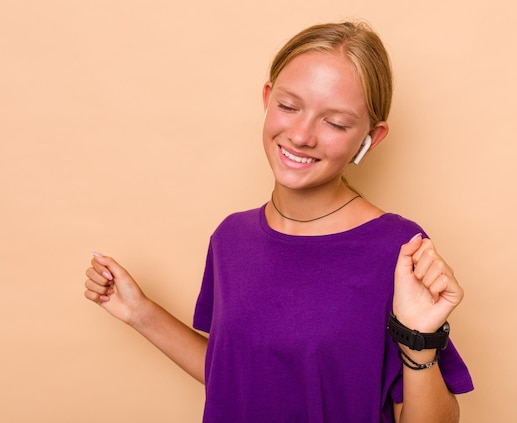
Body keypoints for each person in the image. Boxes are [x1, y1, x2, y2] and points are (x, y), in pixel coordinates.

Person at [84, 21, 474, 423]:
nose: (302, 135)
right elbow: (237, 379)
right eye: (289, 106)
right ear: (268, 99)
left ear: (370, 138)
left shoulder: (397, 250)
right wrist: (140, 313)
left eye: (335, 123)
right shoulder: (230, 238)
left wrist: (421, 344)